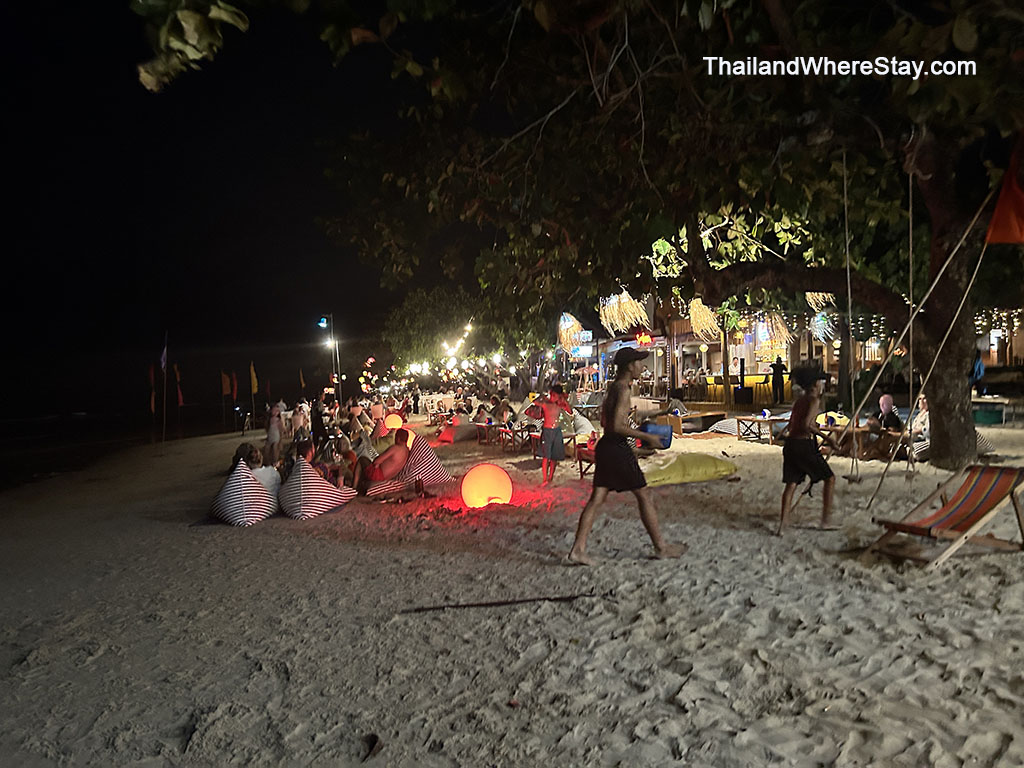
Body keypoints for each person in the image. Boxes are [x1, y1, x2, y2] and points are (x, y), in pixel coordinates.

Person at [567, 348, 687, 564]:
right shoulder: (623, 390)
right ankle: (661, 547)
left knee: (597, 499)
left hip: (606, 447)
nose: (642, 367)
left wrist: (659, 414)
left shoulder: (615, 388)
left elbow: (616, 420)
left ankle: (578, 549)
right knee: (644, 494)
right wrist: (646, 437)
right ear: (630, 366)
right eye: (640, 363)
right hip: (616, 449)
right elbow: (616, 425)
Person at [778, 369, 839, 535]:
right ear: (815, 384)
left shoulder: (799, 401)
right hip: (803, 445)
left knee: (791, 484)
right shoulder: (814, 401)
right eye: (820, 382)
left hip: (790, 444)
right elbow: (806, 425)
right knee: (830, 478)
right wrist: (828, 439)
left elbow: (792, 425)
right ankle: (825, 521)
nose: (822, 385)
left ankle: (783, 524)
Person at [355, 428, 411, 493]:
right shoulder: (407, 451)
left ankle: (354, 487)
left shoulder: (395, 448)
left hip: (377, 475)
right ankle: (362, 485)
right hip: (388, 478)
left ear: (398, 438)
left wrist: (377, 462)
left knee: (362, 460)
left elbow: (377, 461)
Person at [537, 384, 573, 485]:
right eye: (551, 395)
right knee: (546, 456)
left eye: (555, 395)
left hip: (556, 430)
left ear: (559, 396)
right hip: (547, 430)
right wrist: (543, 397)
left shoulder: (559, 405)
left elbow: (570, 411)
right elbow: (534, 402)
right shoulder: (546, 403)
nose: (552, 397)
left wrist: (564, 402)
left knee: (554, 457)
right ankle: (545, 479)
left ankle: (550, 478)